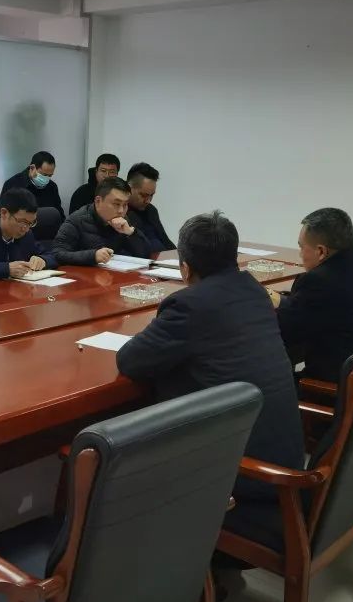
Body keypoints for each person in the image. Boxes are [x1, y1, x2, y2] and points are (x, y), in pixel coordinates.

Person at [116, 211, 304, 500]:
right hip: (285, 462)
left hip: (241, 474)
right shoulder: (255, 291)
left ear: (185, 268)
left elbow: (130, 361)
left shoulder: (189, 305)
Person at [268, 208, 353, 383]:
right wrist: (285, 302)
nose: (300, 254)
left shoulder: (318, 281)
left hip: (334, 389)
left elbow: (283, 333)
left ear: (321, 251)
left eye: (301, 247)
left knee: (260, 380)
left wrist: (263, 304)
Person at [52, 177, 151, 266]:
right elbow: (57, 254)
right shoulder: (77, 220)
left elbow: (146, 254)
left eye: (125, 205)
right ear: (98, 201)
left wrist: (131, 233)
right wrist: (93, 256)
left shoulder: (124, 220)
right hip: (84, 277)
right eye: (116, 204)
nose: (121, 211)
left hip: (112, 275)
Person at [125, 162, 176, 253]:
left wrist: (180, 257)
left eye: (151, 195)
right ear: (129, 188)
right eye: (143, 195)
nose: (148, 201)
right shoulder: (119, 213)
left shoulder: (151, 210)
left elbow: (165, 240)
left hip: (163, 259)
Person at [0, 151, 64, 218]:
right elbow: (4, 217)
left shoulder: (52, 187)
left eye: (50, 176)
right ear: (32, 168)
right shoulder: (12, 185)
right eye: (44, 175)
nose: (46, 179)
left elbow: (59, 215)